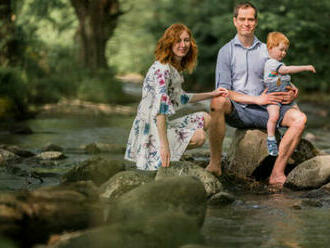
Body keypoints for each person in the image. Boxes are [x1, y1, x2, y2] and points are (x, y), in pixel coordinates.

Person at [207, 1, 307, 187]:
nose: (246, 23)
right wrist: (255, 99)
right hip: (238, 110)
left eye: (250, 19)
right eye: (242, 19)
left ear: (256, 22)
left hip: (267, 108)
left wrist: (292, 89)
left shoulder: (266, 50)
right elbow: (223, 90)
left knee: (300, 118)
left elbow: (278, 74)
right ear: (235, 21)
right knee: (217, 100)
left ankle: (277, 173)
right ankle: (215, 164)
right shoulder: (225, 52)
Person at [125, 23, 228, 171]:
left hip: (162, 124)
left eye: (186, 40)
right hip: (151, 129)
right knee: (199, 136)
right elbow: (160, 110)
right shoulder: (163, 69)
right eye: (178, 41)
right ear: (169, 43)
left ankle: (171, 152)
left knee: (205, 118)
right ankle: (162, 155)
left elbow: (181, 98)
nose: (183, 45)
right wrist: (164, 145)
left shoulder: (174, 68)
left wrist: (212, 94)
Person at [264, 32, 316, 156]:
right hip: (274, 96)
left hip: (286, 96)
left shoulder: (279, 64)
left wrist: (293, 87)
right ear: (270, 48)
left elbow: (285, 78)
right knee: (274, 116)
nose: (284, 53)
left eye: (285, 50)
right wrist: (306, 67)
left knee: (299, 117)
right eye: (281, 49)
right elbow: (286, 71)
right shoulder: (271, 63)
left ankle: (288, 137)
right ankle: (271, 139)